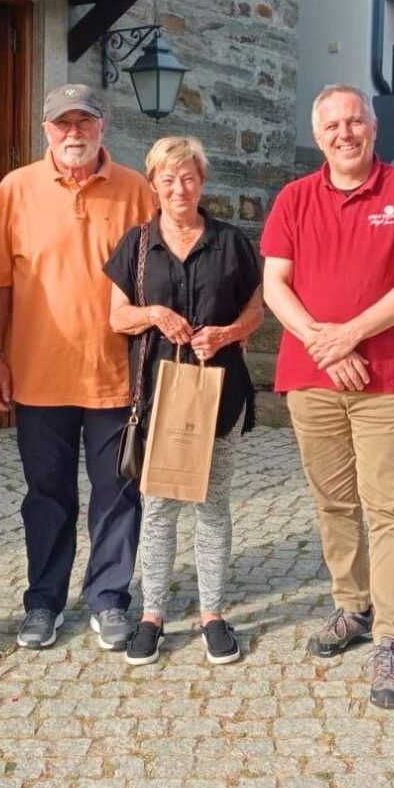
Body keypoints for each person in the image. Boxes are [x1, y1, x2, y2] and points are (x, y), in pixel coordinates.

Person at [261, 84, 394, 709]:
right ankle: (353, 607)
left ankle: (392, 642)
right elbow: (275, 287)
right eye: (333, 125)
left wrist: (349, 336)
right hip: (310, 378)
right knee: (333, 504)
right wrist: (324, 343)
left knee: (388, 509)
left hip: (386, 380)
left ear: (372, 126)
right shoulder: (294, 198)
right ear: (318, 136)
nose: (345, 133)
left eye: (355, 121)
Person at [0, 83, 153, 651]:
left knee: (118, 491)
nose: (73, 133)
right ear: (45, 129)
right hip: (38, 374)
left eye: (85, 122)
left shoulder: (138, 191)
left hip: (116, 373)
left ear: (103, 127)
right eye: (62, 123)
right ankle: (43, 601)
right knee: (46, 493)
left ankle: (109, 598)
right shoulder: (15, 189)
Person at [104, 137, 263, 666]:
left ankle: (213, 615)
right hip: (157, 395)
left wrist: (227, 332)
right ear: (153, 185)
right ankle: (152, 616)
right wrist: (154, 315)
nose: (179, 188)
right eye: (168, 179)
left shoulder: (230, 242)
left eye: (188, 177)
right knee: (159, 508)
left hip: (218, 393)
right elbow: (117, 317)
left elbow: (256, 312)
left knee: (213, 505)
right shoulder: (136, 244)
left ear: (202, 181)